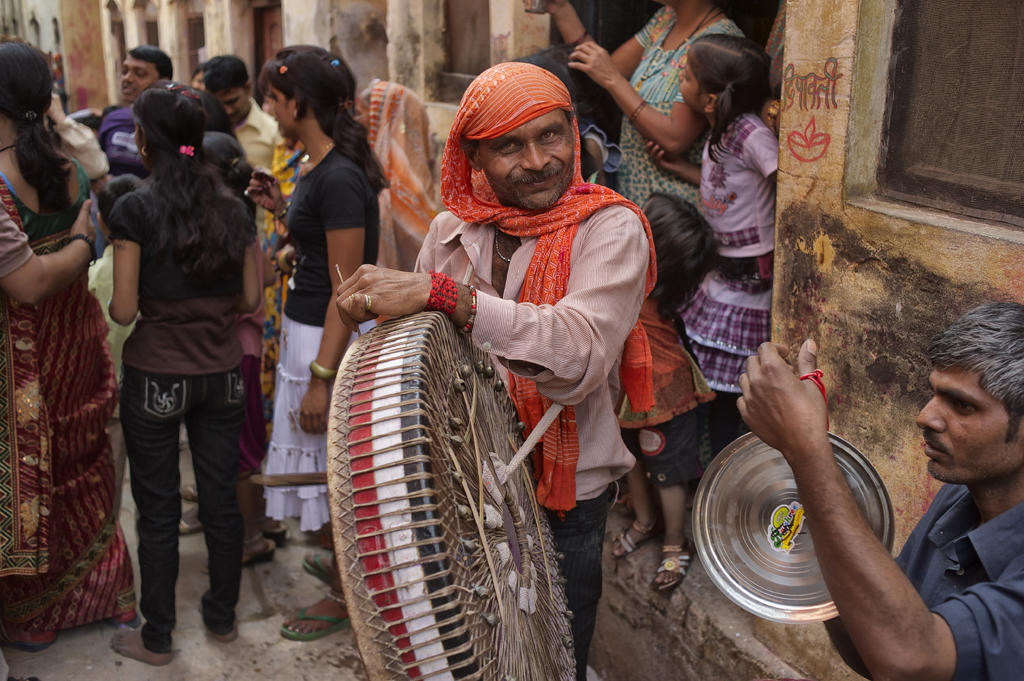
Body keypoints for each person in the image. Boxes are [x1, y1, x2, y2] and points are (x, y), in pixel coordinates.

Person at [333, 61, 656, 681]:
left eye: (551, 136)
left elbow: (579, 358)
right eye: (509, 145)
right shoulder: (450, 231)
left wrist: (452, 299)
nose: (536, 161)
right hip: (465, 487)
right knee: (478, 651)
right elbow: (428, 351)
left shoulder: (611, 229)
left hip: (566, 500)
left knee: (553, 657)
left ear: (574, 132)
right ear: (474, 157)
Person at [739, 302, 1024, 681]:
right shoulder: (958, 501)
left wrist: (807, 449)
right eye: (935, 393)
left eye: (963, 406)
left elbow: (910, 661)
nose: (925, 416)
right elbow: (878, 647)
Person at [106, 82, 259, 666]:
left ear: (144, 141)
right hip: (222, 373)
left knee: (158, 512)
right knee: (221, 503)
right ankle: (222, 621)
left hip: (155, 378)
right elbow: (249, 296)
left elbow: (123, 310)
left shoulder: (133, 209)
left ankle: (158, 636)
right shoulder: (233, 207)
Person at [0, 41, 137, 651]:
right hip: (78, 342)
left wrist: (81, 247)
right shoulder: (69, 164)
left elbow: (26, 283)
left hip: (23, 360)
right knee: (85, 456)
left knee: (34, 470)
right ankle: (110, 590)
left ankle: (35, 613)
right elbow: (85, 231)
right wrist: (85, 242)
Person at [247, 46, 384, 641]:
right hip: (310, 333)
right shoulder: (317, 164)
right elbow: (322, 256)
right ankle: (341, 570)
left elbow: (347, 291)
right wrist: (284, 212)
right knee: (323, 474)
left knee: (332, 479)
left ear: (297, 102)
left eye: (273, 101)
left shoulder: (339, 178)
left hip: (326, 342)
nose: (269, 112)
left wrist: (324, 379)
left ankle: (344, 596)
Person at [661, 34, 776, 456]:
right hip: (723, 266)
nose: (680, 76)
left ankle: (731, 469)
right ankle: (718, 467)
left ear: (710, 100)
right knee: (718, 381)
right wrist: (684, 169)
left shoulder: (749, 133)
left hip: (749, 275)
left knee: (736, 389)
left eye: (688, 74)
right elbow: (730, 189)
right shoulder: (721, 131)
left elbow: (783, 175)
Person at [544, 0, 743, 207]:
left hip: (675, 209)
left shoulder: (719, 43)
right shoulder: (664, 19)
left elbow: (674, 141)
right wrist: (561, 10)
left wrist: (614, 80)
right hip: (638, 194)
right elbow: (606, 68)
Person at [614, 193, 716, 591]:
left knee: (667, 474)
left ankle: (675, 540)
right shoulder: (627, 281)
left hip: (666, 399)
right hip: (631, 393)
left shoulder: (638, 289)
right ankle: (646, 521)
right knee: (630, 459)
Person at [199, 131, 278, 567]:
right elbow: (265, 278)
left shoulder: (220, 226)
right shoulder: (241, 220)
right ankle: (264, 522)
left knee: (240, 449)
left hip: (235, 347)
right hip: (250, 343)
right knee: (250, 437)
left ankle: (248, 537)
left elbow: (250, 292)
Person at [89, 174, 142, 517]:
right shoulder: (155, 270)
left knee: (106, 497)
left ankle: (108, 563)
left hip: (110, 404)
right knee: (152, 495)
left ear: (100, 221)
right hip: (149, 395)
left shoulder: (94, 276)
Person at [354, 79, 436, 272]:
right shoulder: (373, 166)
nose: (356, 121)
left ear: (381, 116)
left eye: (360, 113)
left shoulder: (408, 183)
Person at [98, 45, 173, 178]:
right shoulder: (112, 120)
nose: (128, 78)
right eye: (124, 71)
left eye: (140, 74)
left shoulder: (175, 124)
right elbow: (98, 166)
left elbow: (189, 154)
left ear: (164, 81)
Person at [204, 55, 280, 170]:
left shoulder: (274, 133)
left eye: (232, 101)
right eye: (219, 104)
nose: (227, 111)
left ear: (248, 88)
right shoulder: (205, 130)